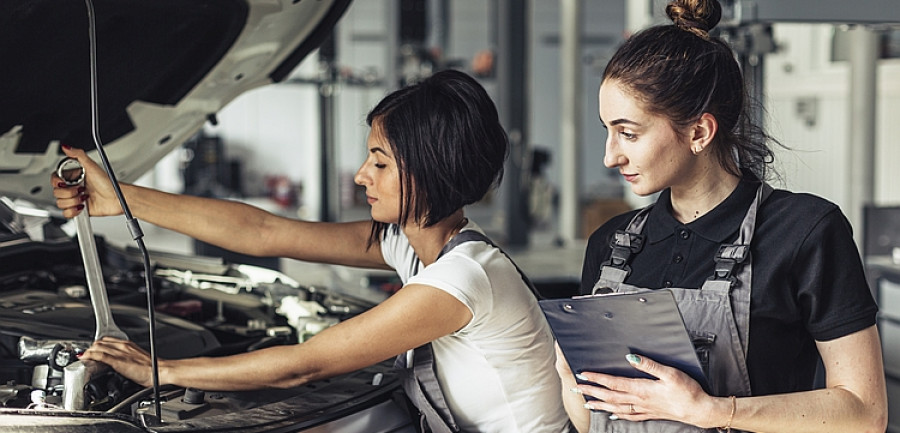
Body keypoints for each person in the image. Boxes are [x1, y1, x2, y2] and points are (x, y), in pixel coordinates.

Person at [53, 69, 571, 433]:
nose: (361, 175)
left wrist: (158, 370)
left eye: (380, 163)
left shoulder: (463, 277)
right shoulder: (416, 246)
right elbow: (263, 233)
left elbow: (302, 365)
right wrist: (120, 198)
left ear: (429, 170)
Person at [555, 1, 888, 432]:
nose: (609, 156)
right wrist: (568, 372)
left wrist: (709, 410)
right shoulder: (610, 245)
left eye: (629, 133)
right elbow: (592, 423)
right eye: (607, 130)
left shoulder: (805, 231)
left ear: (698, 132)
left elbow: (865, 413)